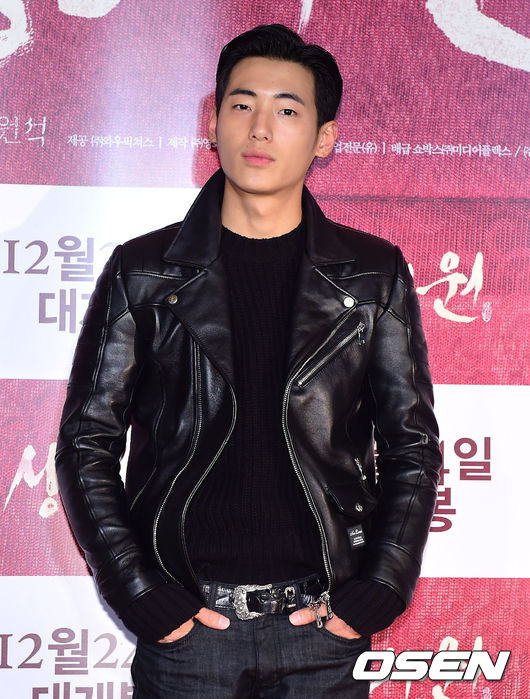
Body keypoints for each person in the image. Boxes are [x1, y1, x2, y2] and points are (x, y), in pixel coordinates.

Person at [55, 23, 442, 698]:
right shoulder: (143, 271)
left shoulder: (372, 275)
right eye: (242, 104)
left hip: (324, 628)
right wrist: (139, 590)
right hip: (188, 631)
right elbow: (86, 442)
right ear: (213, 122)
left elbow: (411, 443)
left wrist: (381, 584)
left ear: (324, 137)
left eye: (287, 110)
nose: (260, 128)